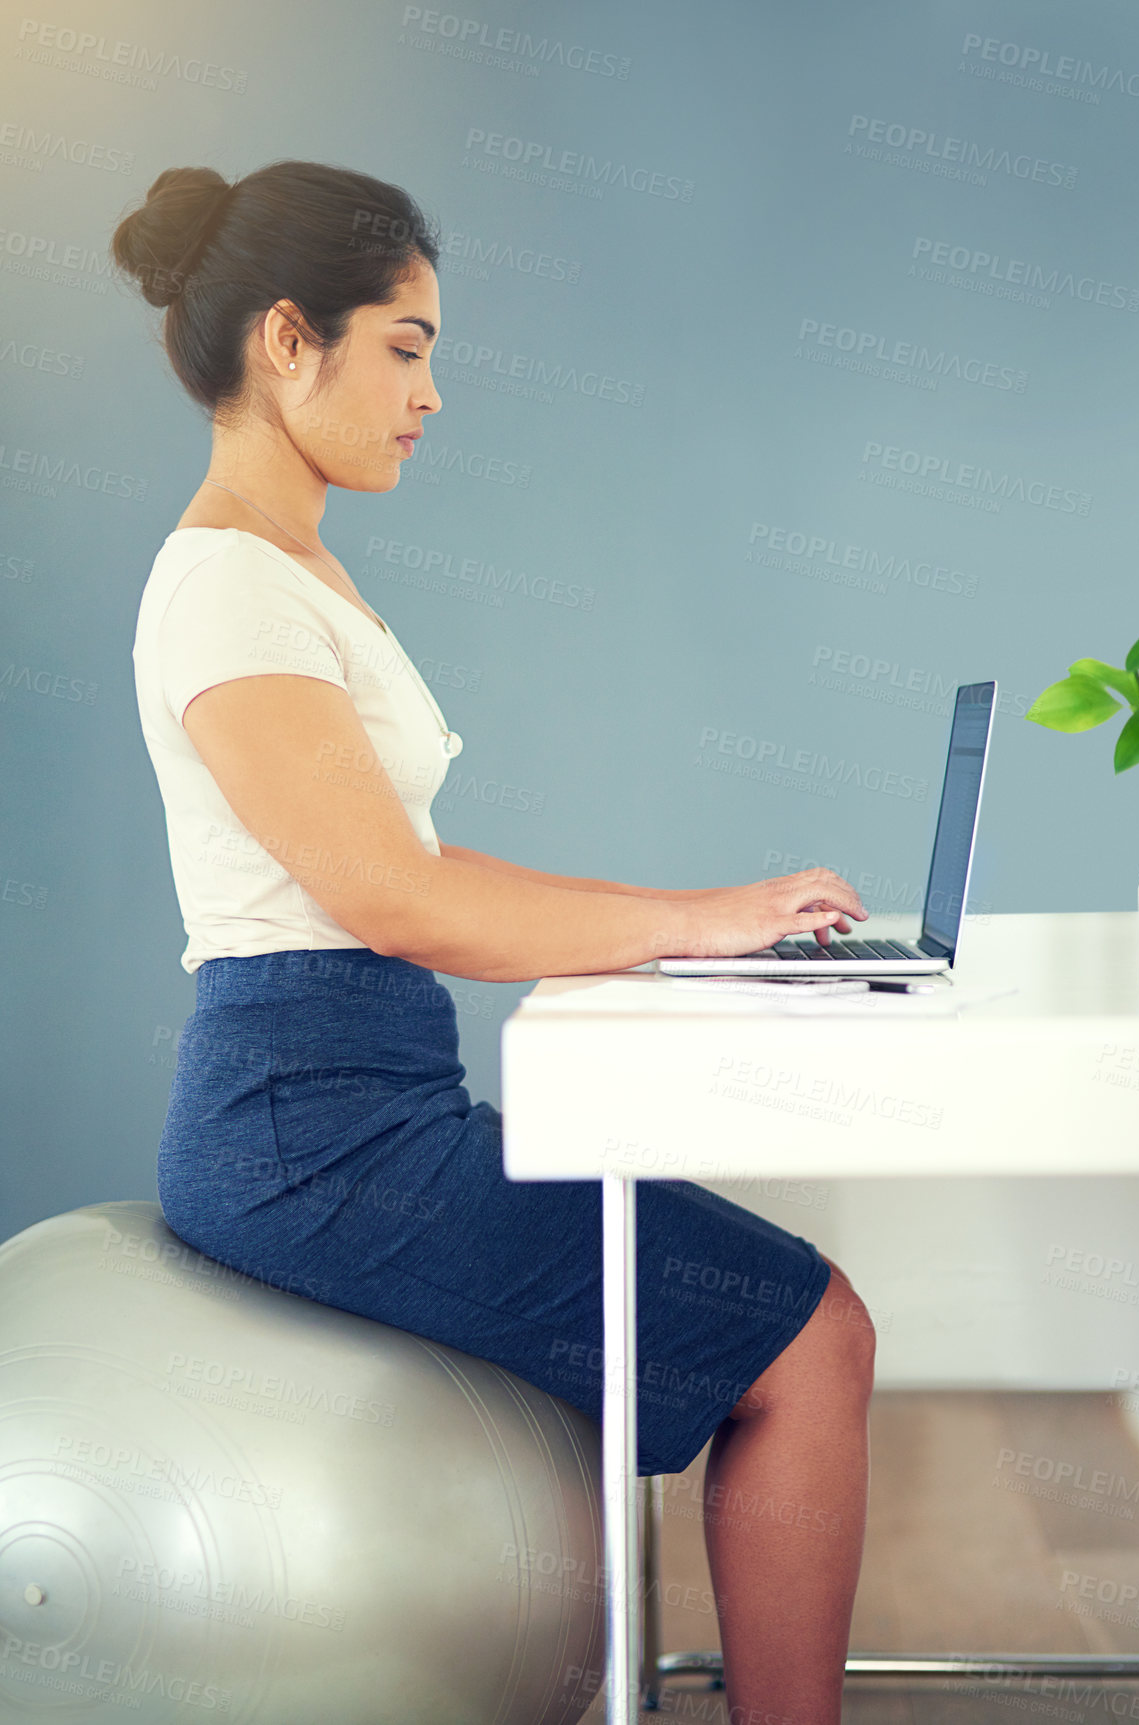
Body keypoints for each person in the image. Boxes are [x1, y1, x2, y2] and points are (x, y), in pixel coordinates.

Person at [113, 158, 875, 1724]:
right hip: (310, 1135)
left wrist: (695, 928)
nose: (433, 394)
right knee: (815, 1334)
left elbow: (413, 866)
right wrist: (696, 922)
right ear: (285, 341)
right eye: (406, 346)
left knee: (798, 1321)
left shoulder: (292, 576)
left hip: (349, 1102)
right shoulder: (224, 592)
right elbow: (397, 904)